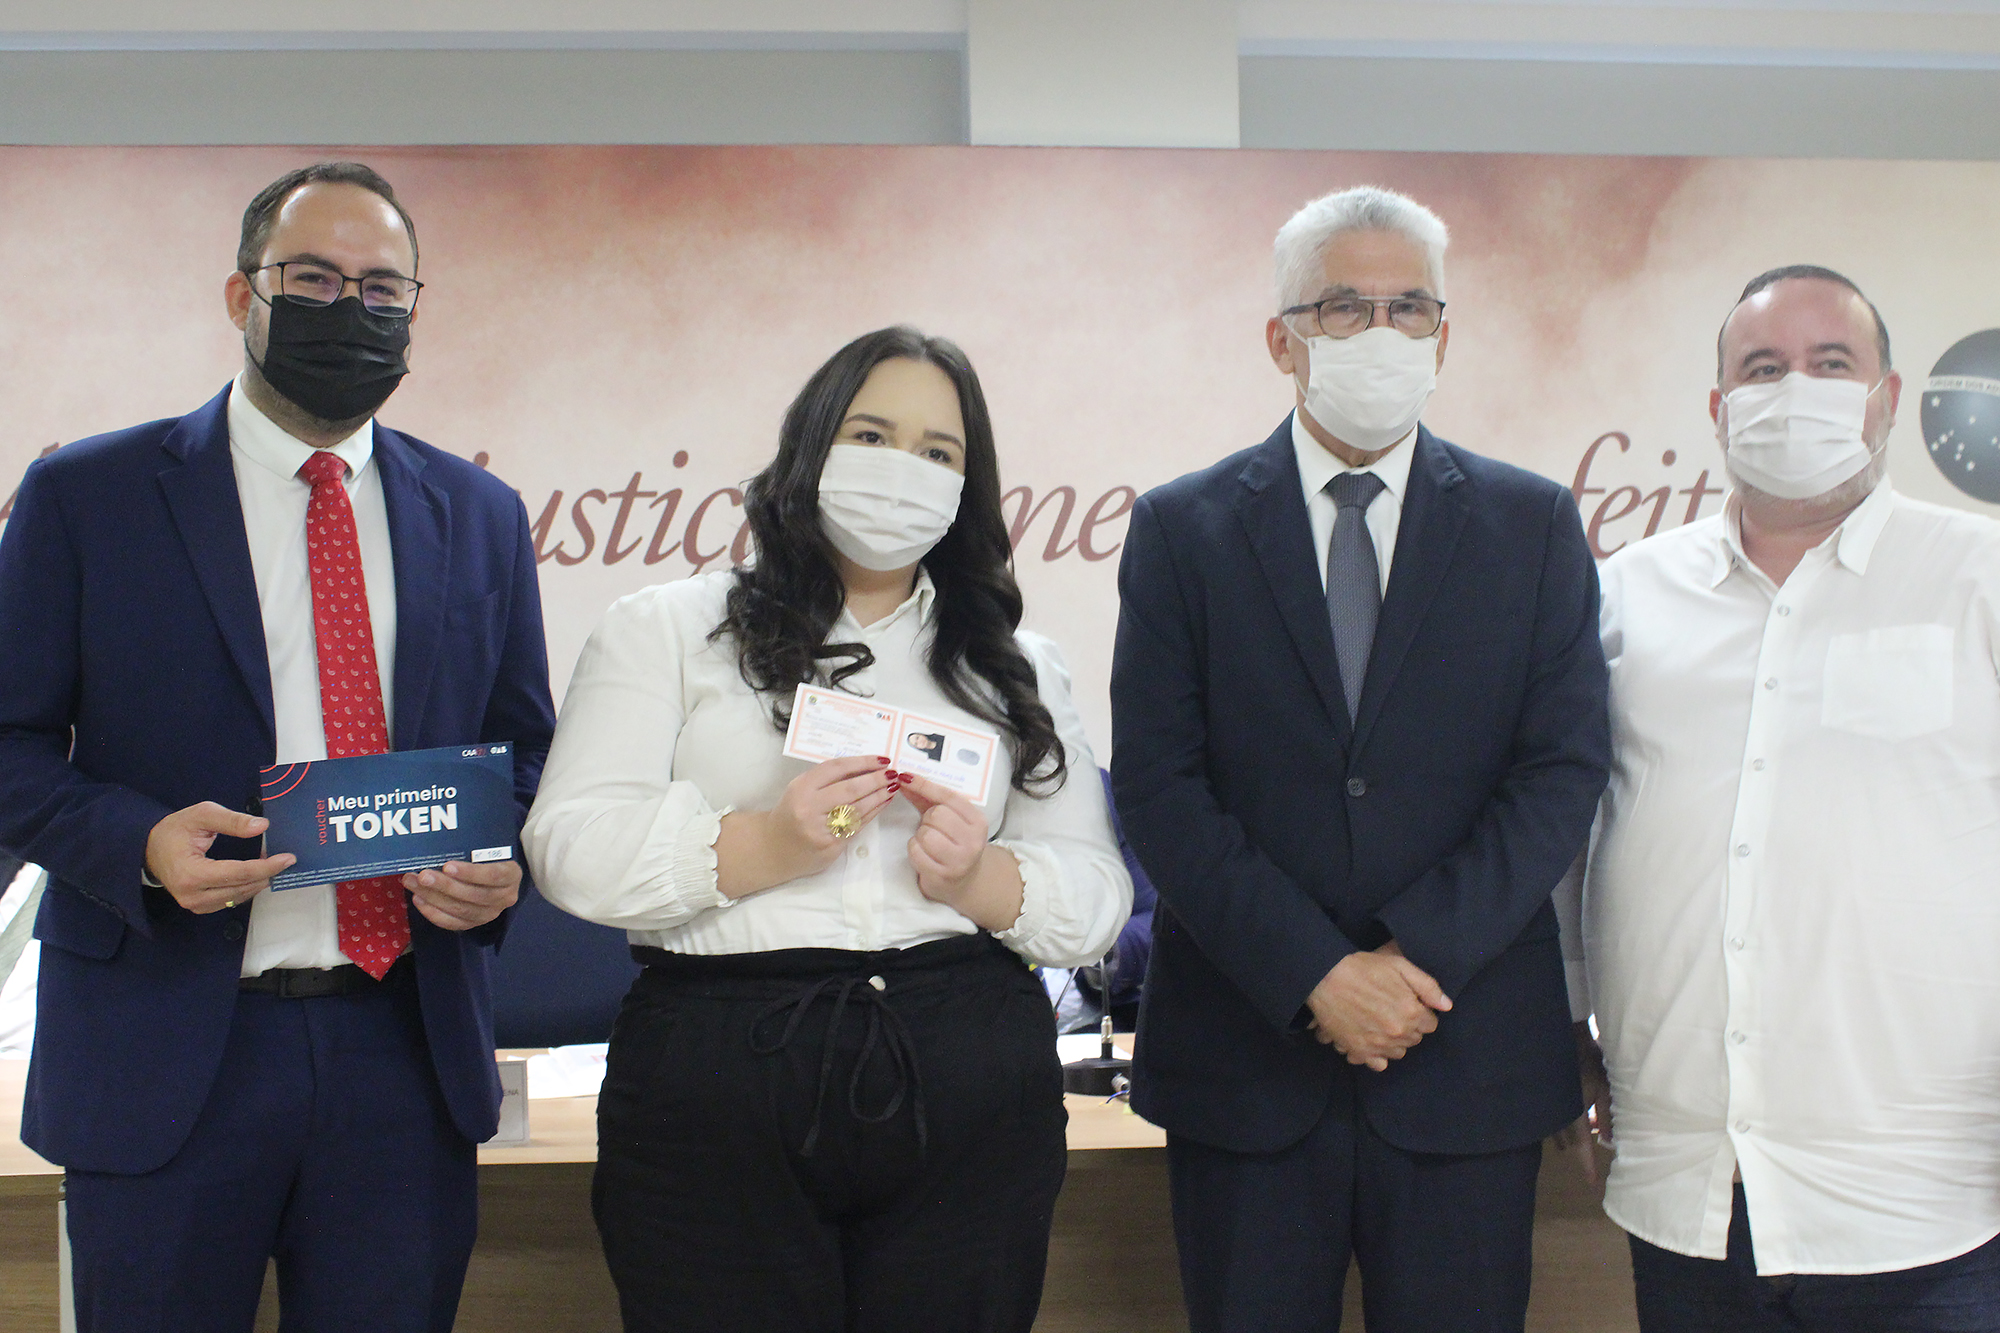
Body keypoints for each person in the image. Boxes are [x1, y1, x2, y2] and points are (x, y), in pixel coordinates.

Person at [0, 161, 556, 1332]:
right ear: (239, 294)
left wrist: (500, 861)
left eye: (381, 287)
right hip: (165, 1045)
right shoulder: (87, 495)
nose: (350, 308)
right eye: (312, 279)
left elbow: (522, 753)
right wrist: (137, 842)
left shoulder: (480, 516)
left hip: (404, 1048)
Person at [523, 325, 1132, 1333]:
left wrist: (978, 880)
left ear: (967, 485)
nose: (902, 469)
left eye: (938, 451)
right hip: (718, 1072)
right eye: (872, 435)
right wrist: (761, 846)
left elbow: (1097, 891)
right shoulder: (665, 627)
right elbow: (568, 842)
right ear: (810, 446)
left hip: (966, 1069)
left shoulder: (1016, 661)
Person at [1110, 185, 1610, 1333]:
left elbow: (1558, 771)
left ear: (1443, 335)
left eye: (1406, 307)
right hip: (1244, 1061)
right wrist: (1314, 974)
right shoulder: (1180, 529)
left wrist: (1410, 957)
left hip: (1463, 1057)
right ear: (1279, 338)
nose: (1378, 332)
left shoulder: (1531, 524)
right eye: (1341, 306)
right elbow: (1159, 784)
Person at [1567, 265, 2000, 1331]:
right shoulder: (1622, 598)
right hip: (1690, 1193)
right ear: (1719, 409)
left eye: (1830, 363)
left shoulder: (1977, 576)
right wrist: (1567, 1033)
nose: (1794, 389)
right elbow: (1571, 837)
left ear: (1885, 399)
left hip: (1928, 1200)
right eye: (1763, 369)